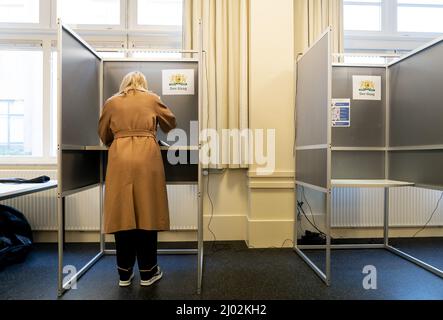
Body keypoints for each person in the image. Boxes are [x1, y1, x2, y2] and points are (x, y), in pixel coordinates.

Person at [98, 71, 176, 287]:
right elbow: (171, 124)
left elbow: (104, 135)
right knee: (147, 214)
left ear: (124, 84)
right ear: (143, 84)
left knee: (122, 215)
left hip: (119, 159)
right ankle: (147, 273)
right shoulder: (152, 98)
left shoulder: (111, 102)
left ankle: (124, 275)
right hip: (147, 158)